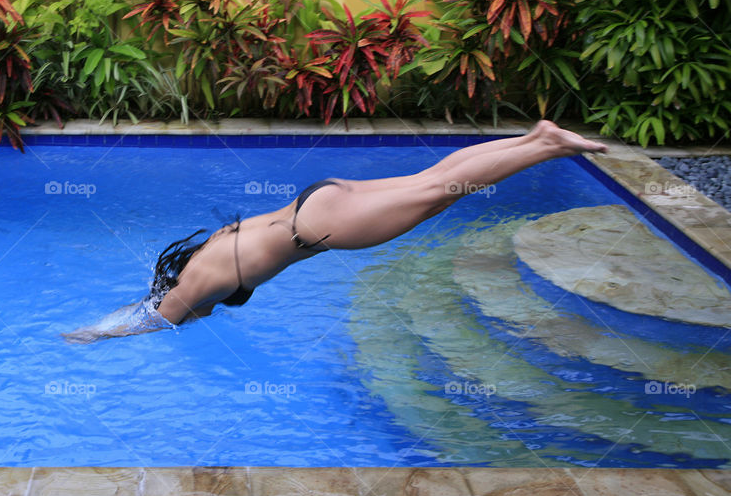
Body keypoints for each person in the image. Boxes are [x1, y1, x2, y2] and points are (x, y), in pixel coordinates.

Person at [62, 120, 607, 343]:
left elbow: (154, 319)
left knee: (440, 191)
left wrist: (90, 335)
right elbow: (149, 300)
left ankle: (546, 147)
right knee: (433, 182)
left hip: (321, 227)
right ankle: (535, 136)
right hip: (319, 198)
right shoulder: (205, 254)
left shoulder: (192, 290)